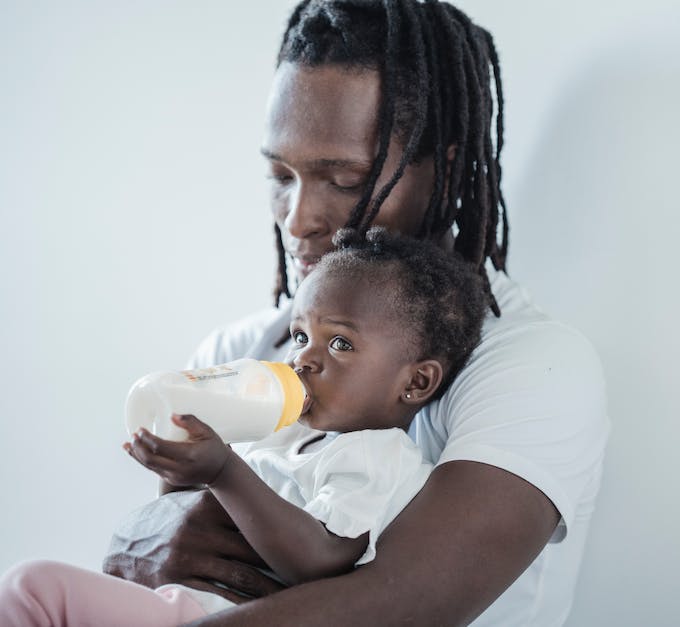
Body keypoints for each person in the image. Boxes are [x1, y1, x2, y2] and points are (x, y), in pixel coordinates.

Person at [103, 1, 610, 625]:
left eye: (343, 181)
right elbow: (165, 570)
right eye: (281, 175)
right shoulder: (240, 353)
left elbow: (395, 605)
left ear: (445, 170)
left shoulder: (531, 367)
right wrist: (136, 541)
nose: (298, 219)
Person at [0, 228, 489, 626]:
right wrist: (178, 460)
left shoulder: (380, 457)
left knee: (34, 590)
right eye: (301, 335)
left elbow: (322, 558)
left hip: (213, 613)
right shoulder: (285, 433)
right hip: (176, 598)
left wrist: (224, 471)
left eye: (339, 344)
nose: (303, 358)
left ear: (417, 381)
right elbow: (179, 515)